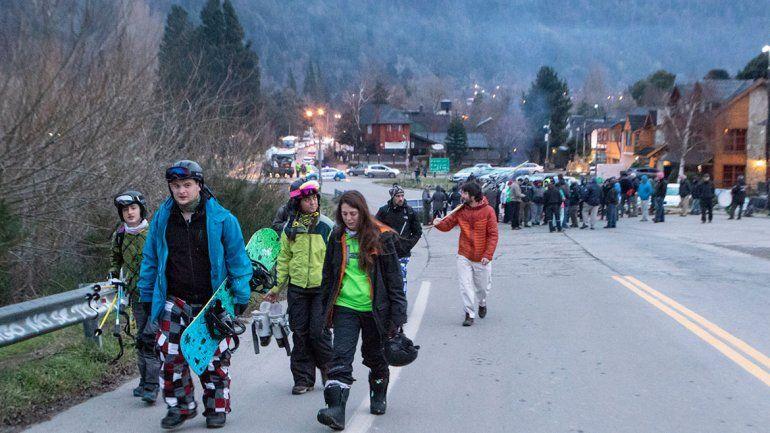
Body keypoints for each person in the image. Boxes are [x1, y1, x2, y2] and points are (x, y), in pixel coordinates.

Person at [138, 160, 252, 429]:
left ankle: (216, 408)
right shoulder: (162, 220)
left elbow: (238, 259)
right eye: (176, 186)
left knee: (214, 361)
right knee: (171, 357)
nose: (181, 191)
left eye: (187, 185)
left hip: (211, 303)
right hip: (174, 300)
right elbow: (150, 259)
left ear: (199, 186)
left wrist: (241, 294)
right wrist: (145, 294)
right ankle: (181, 407)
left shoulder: (222, 219)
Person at [317, 191, 407, 430]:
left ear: (362, 212)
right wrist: (323, 309)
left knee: (375, 357)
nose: (348, 218)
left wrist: (398, 316)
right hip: (345, 308)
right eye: (344, 214)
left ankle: (378, 393)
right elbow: (328, 275)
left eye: (353, 213)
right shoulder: (337, 237)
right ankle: (336, 410)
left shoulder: (381, 238)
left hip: (375, 310)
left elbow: (394, 280)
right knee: (340, 358)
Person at [264, 179, 334, 395]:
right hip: (297, 289)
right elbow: (284, 259)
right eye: (307, 200)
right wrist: (276, 288)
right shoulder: (289, 229)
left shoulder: (327, 226)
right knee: (300, 333)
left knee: (318, 333)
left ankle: (331, 372)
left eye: (314, 198)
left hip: (321, 288)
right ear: (298, 203)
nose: (312, 203)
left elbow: (336, 260)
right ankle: (303, 378)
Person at [109, 190, 160, 404]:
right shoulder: (120, 234)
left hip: (158, 295)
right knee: (141, 339)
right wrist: (113, 274)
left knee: (150, 339)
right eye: (125, 210)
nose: (129, 213)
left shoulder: (153, 232)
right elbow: (115, 258)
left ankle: (153, 385)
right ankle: (144, 382)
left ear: (141, 209)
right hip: (136, 295)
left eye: (133, 208)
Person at [433, 181, 498, 326]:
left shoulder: (488, 211)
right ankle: (469, 313)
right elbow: (447, 225)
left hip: (482, 257)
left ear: (473, 196)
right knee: (465, 286)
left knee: (482, 288)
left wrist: (488, 254)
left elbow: (493, 235)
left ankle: (482, 302)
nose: (461, 195)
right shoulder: (460, 210)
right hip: (464, 254)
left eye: (464, 193)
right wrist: (438, 223)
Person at [376, 184, 423, 294]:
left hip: (403, 254)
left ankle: (401, 304)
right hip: (386, 252)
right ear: (392, 197)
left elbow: (418, 232)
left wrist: (408, 244)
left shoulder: (410, 212)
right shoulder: (384, 211)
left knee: (401, 278)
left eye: (402, 195)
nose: (401, 198)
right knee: (386, 279)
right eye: (398, 196)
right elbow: (374, 228)